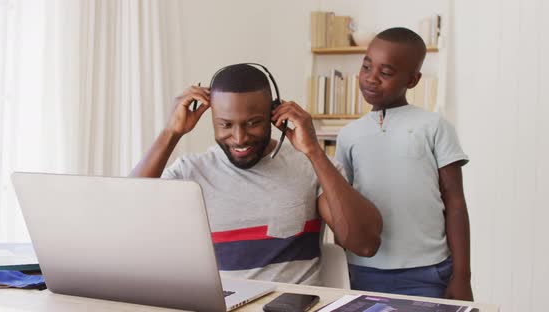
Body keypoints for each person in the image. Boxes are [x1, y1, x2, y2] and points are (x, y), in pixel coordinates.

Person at [131, 64, 382, 285]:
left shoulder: (309, 166)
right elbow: (127, 217)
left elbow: (365, 244)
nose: (239, 138)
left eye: (253, 123)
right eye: (226, 124)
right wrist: (170, 133)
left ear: (275, 114)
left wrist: (314, 152)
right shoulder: (191, 172)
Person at [335, 27, 473, 300]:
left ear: (412, 79)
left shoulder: (434, 126)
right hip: (361, 272)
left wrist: (462, 276)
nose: (371, 78)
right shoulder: (348, 134)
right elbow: (341, 203)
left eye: (385, 73)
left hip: (428, 272)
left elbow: (455, 202)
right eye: (366, 67)